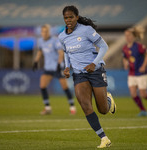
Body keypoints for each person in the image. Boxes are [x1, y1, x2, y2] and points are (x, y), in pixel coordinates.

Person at [58, 5, 116, 149]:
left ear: (77, 17)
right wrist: (67, 66)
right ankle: (104, 138)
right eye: (66, 17)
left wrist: (93, 63)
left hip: (95, 71)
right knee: (85, 105)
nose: (68, 20)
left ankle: (108, 100)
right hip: (79, 74)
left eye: (71, 17)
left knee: (103, 110)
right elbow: (66, 52)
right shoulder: (62, 36)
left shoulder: (86, 30)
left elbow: (104, 47)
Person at [33, 24, 76, 115]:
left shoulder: (55, 40)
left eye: (46, 31)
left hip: (57, 67)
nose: (44, 33)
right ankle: (47, 108)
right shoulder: (40, 41)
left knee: (65, 87)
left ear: (49, 32)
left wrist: (58, 64)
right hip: (48, 68)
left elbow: (61, 53)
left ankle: (72, 107)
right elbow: (40, 51)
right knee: (42, 86)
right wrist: (36, 61)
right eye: (42, 31)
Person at [122, 26, 147, 117]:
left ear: (133, 36)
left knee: (143, 94)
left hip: (141, 73)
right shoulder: (124, 48)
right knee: (133, 93)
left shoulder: (139, 46)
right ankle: (143, 110)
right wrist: (125, 64)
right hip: (132, 73)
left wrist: (143, 66)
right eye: (126, 35)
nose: (127, 37)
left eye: (129, 35)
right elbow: (124, 57)